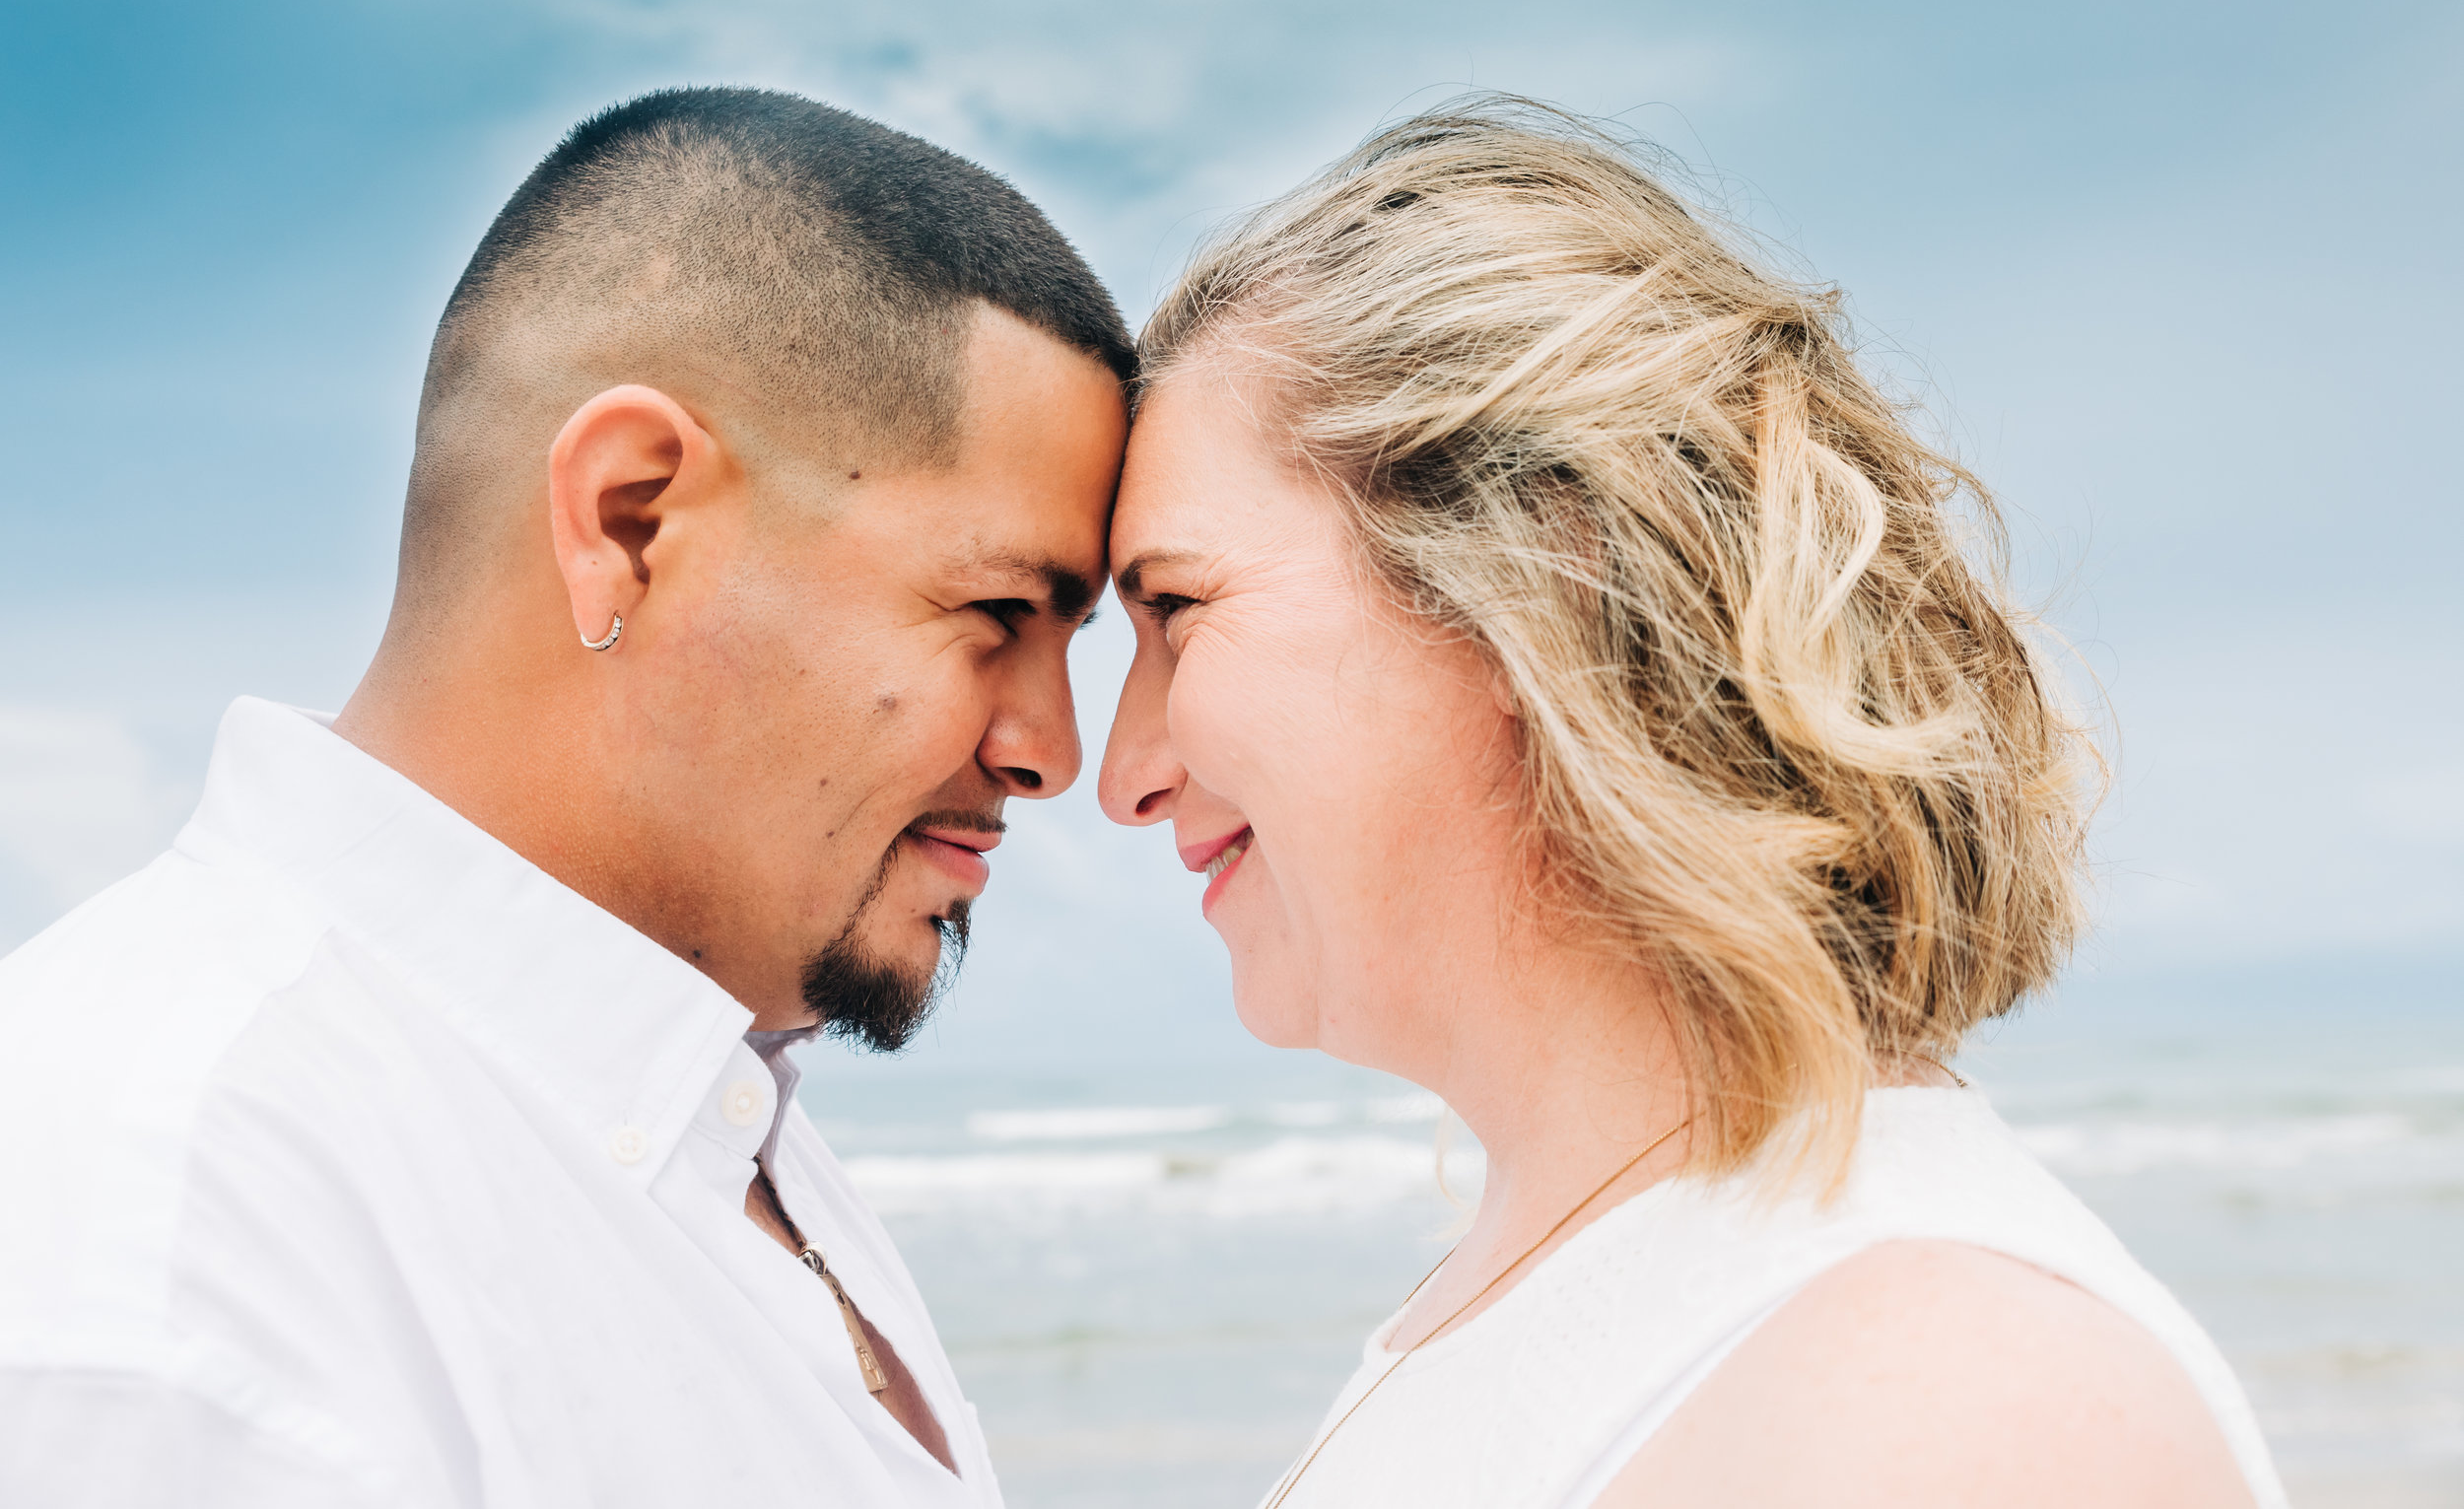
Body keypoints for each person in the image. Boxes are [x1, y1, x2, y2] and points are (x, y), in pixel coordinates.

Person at [1098, 99, 2287, 1509]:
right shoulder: (1584, 1277)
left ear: (1536, 571)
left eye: (1176, 607)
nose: (1122, 771)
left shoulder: (1939, 1399)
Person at [0, 88, 1129, 1505]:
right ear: (630, 521)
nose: (1054, 750)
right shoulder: (176, 1254)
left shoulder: (693, 1108)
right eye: (997, 610)